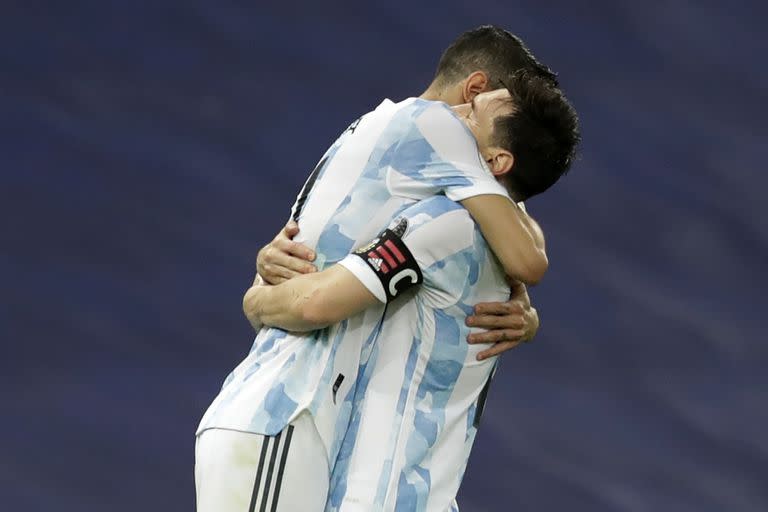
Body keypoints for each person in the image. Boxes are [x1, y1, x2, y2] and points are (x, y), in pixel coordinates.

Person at [195, 26, 562, 512]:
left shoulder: (401, 141)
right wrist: (256, 298)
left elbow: (514, 214)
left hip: (301, 418)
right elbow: (528, 257)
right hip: (283, 407)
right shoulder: (435, 128)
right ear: (474, 89)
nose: (464, 117)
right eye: (477, 106)